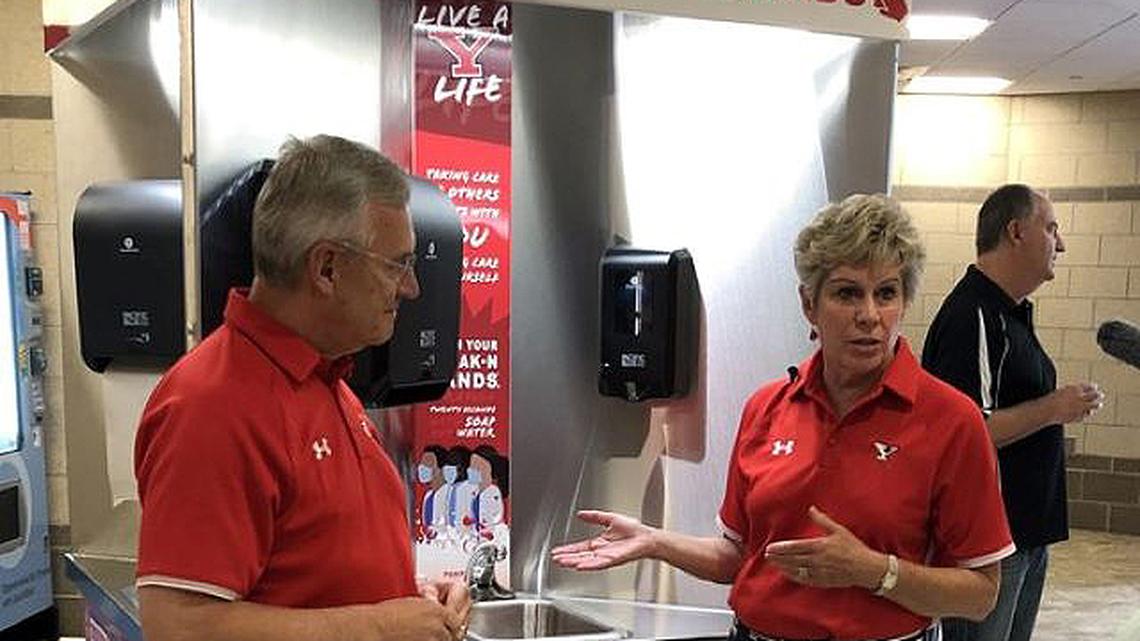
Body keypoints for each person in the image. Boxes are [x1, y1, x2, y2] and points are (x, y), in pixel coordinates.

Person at [553, 194, 1014, 641]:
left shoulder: (951, 420)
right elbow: (738, 555)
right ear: (809, 305)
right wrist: (655, 541)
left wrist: (876, 571)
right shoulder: (767, 408)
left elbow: (980, 595)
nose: (870, 315)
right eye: (847, 293)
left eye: (886, 293)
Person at [134, 135, 471, 641]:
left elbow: (311, 578)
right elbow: (178, 625)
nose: (411, 287)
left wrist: (407, 600)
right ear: (327, 268)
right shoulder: (211, 406)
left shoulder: (329, 382)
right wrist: (378, 626)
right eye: (397, 263)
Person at [922, 184, 1104, 641]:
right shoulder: (973, 316)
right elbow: (964, 432)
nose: (1060, 244)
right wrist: (1053, 408)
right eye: (1051, 228)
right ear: (1016, 231)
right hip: (990, 545)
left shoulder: (1009, 314)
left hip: (1025, 536)